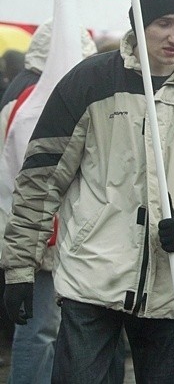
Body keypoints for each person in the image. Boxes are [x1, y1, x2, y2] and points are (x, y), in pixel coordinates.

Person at [0, 0, 174, 383]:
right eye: (163, 23)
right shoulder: (90, 80)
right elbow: (40, 181)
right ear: (137, 21)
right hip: (92, 277)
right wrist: (20, 270)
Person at [0, 20, 97, 384]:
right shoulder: (36, 101)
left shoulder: (26, 93)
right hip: (43, 233)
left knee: (46, 330)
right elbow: (36, 177)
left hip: (40, 231)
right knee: (39, 330)